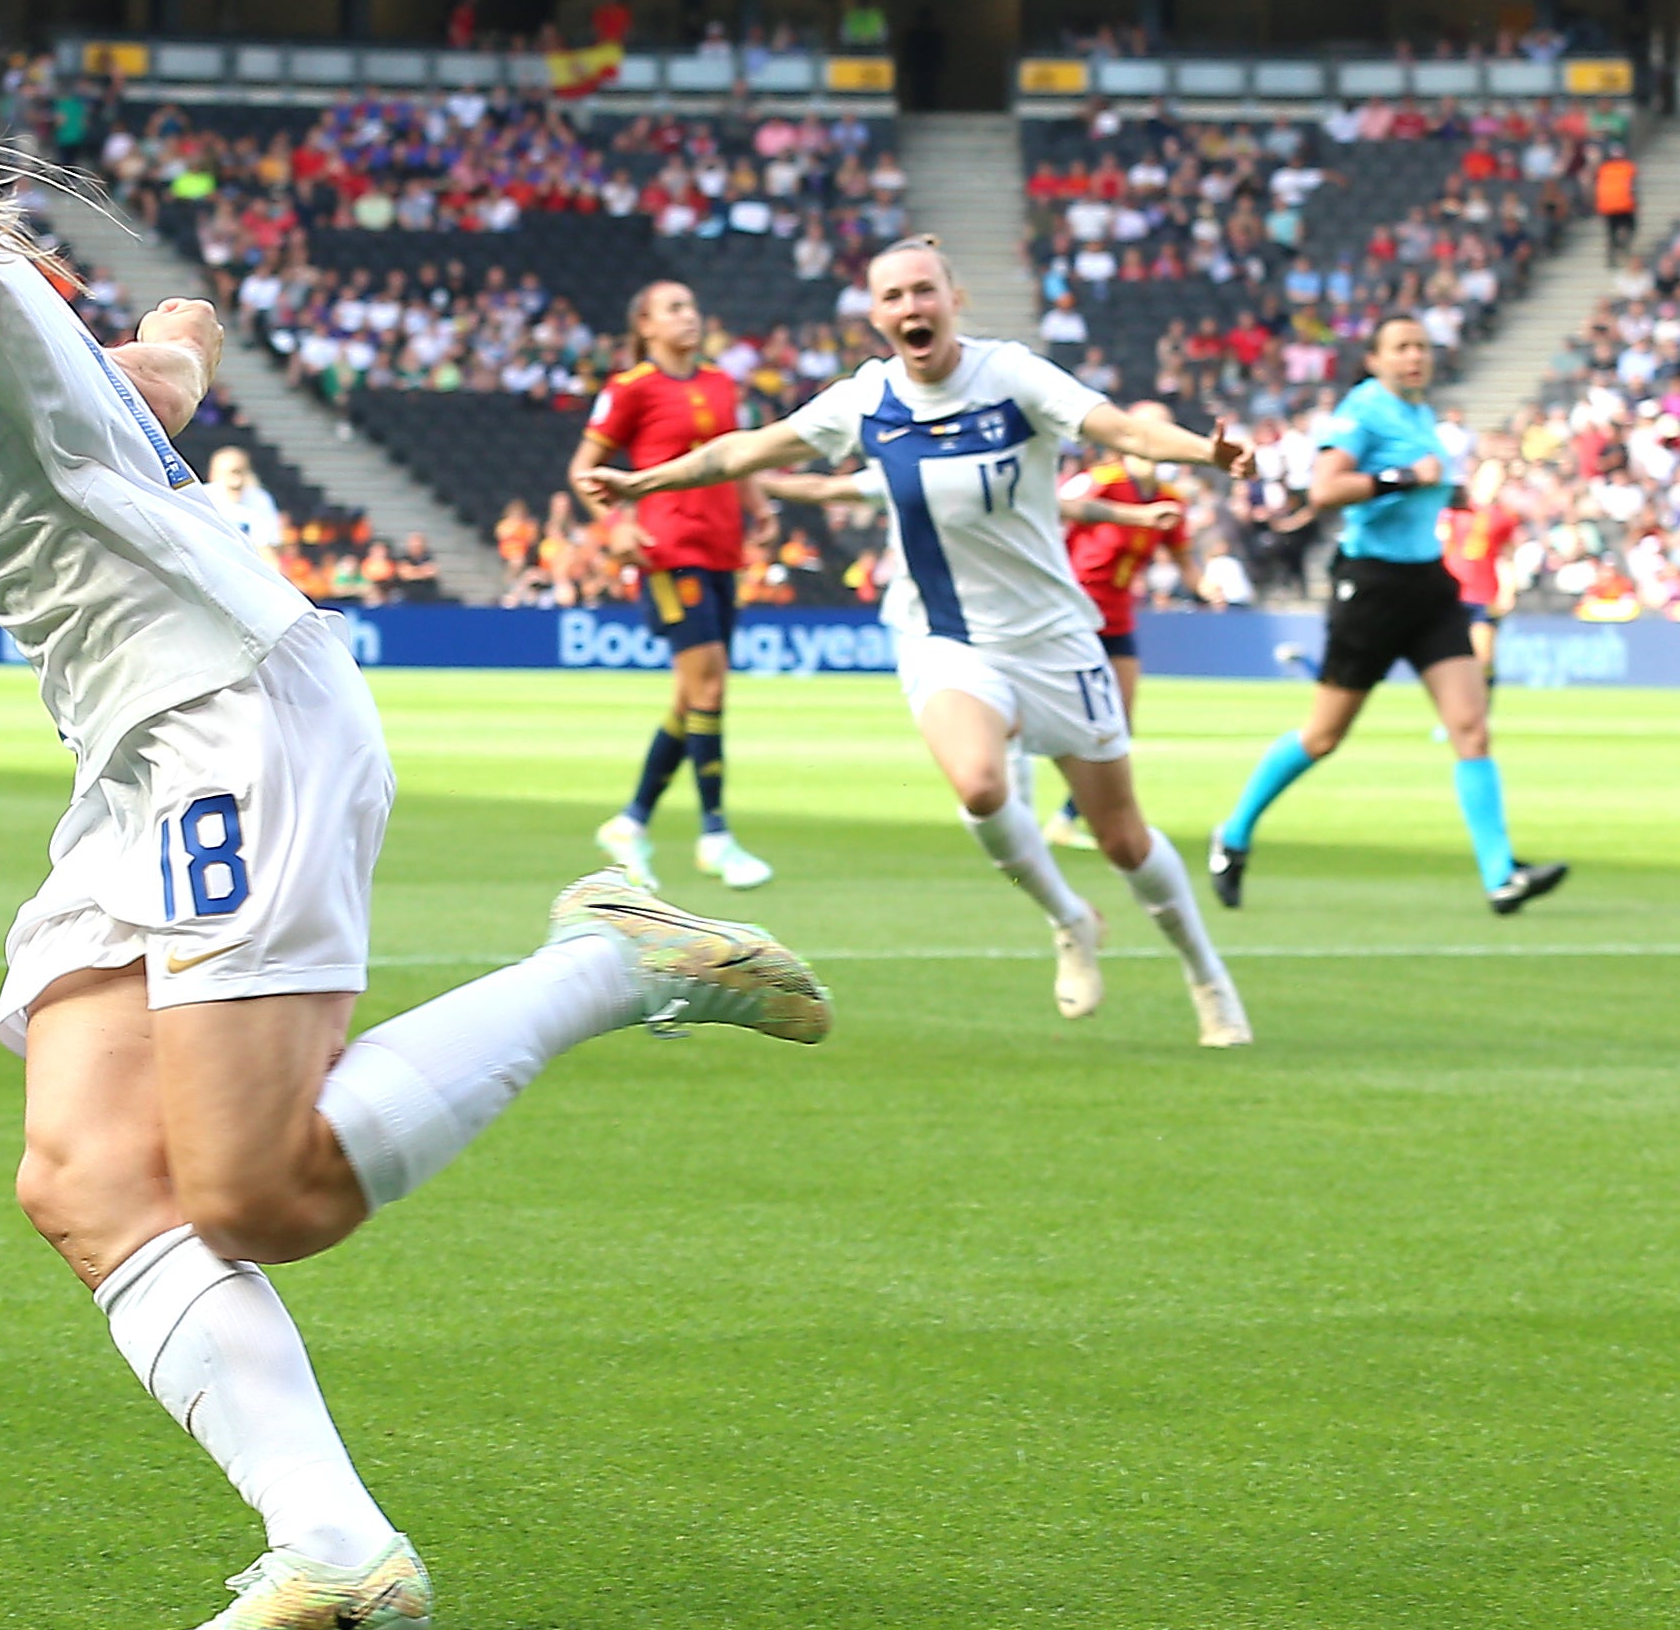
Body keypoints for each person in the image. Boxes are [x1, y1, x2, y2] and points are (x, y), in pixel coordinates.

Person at [0, 0, 833, 1630]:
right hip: (140, 751)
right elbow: (115, 400)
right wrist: (176, 343)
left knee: (256, 1192)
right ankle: (335, 1547)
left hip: (224, 718)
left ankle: (605, 960)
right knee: (83, 1173)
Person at [584, 235, 1252, 1046]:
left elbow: (1120, 431)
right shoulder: (866, 401)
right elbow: (743, 450)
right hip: (945, 640)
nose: (910, 307)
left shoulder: (1010, 376)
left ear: (953, 299)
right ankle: (1068, 919)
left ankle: (1204, 974)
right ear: (875, 315)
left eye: (923, 291)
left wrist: (1204, 452)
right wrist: (642, 481)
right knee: (977, 785)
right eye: (893, 296)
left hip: (1052, 640)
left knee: (1122, 837)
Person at [1208, 317, 1565, 916]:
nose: (1414, 357)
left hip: (1428, 584)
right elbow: (1323, 490)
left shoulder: (1421, 416)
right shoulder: (1362, 410)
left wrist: (1440, 493)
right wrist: (1402, 478)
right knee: (1323, 736)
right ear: (1373, 359)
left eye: (1422, 347)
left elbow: (1417, 488)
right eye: (1401, 348)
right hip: (1371, 586)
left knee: (1471, 727)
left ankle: (1501, 875)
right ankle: (1234, 834)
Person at [568, 281, 784, 891]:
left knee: (694, 694)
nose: (688, 317)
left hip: (721, 547)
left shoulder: (719, 382)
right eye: (674, 309)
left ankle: (630, 823)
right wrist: (614, 525)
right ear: (646, 324)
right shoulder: (630, 389)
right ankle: (715, 834)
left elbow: (733, 456)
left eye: (692, 306)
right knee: (710, 680)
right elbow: (583, 470)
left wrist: (757, 503)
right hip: (668, 551)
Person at [1042, 403, 1194, 849]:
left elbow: (1183, 557)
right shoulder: (1100, 482)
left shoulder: (1171, 497)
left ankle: (1070, 816)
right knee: (1065, 716)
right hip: (1073, 611)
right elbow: (1051, 510)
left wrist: (1205, 584)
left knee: (1120, 721)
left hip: (1119, 616)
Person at [1440, 453, 1518, 681]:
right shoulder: (1455, 510)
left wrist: (1508, 589)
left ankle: (1481, 712)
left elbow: (1506, 557)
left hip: (1485, 594)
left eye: (1500, 478)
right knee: (1451, 658)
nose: (1495, 482)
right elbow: (1441, 546)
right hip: (1453, 591)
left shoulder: (1504, 517)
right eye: (1491, 476)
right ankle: (1454, 714)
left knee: (1483, 658)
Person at [201, 445, 285, 555]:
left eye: (240, 472)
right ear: (213, 475)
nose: (236, 480)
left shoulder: (259, 499)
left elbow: (267, 546)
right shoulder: (202, 497)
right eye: (231, 473)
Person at [1594, 147, 1639, 265]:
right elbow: (1632, 186)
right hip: (1625, 204)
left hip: (1608, 206)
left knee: (1611, 232)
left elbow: (1599, 187)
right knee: (1631, 227)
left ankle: (1611, 258)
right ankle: (1622, 245)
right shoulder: (1628, 167)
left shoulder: (1603, 169)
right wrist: (1635, 201)